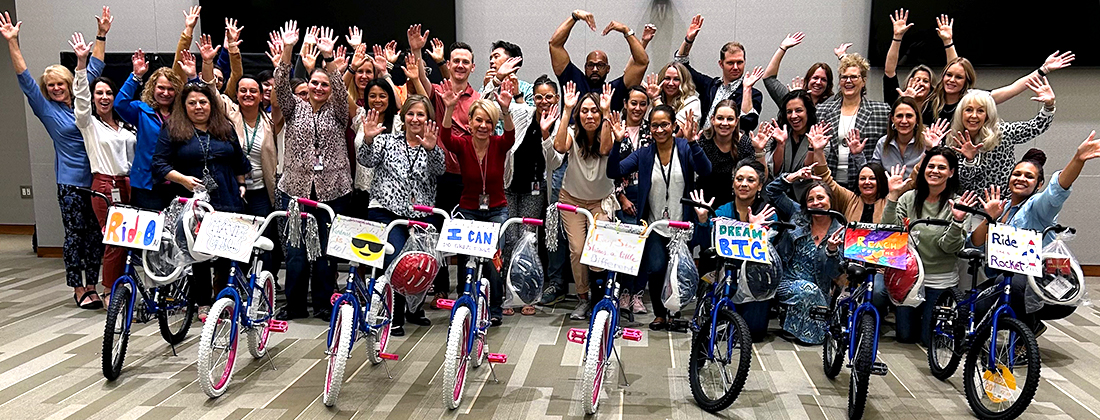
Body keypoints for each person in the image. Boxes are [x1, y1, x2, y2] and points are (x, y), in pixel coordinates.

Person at [3, 11, 112, 309]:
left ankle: (93, 283)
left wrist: (101, 33)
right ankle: (78, 288)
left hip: (97, 179)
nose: (55, 88)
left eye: (58, 83)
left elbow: (96, 64)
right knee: (75, 237)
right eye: (50, 85)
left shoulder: (82, 95)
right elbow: (25, 78)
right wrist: (13, 42)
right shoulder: (46, 109)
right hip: (70, 184)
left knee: (96, 236)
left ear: (68, 82)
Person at [968, 133, 1100, 334]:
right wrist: (989, 219)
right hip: (1005, 279)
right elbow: (973, 244)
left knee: (1012, 284)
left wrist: (1077, 159)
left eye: (1029, 176)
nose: (1021, 178)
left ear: (1038, 185)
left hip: (1046, 283)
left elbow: (1057, 190)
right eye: (1017, 174)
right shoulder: (1001, 209)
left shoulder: (1037, 207)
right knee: (973, 304)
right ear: (1009, 178)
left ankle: (1026, 333)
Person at [272, 22, 353, 321]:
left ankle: (322, 304)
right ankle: (294, 306)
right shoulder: (294, 108)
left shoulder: (338, 111)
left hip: (333, 191)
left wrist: (329, 59)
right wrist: (289, 50)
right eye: (314, 83)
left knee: (325, 255)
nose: (319, 88)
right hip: (295, 190)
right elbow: (280, 85)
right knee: (295, 254)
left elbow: (343, 91)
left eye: (325, 84)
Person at [607, 104, 712, 330]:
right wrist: (617, 143)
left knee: (677, 270)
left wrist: (694, 142)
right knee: (656, 268)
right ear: (650, 129)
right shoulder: (644, 154)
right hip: (654, 224)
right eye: (655, 125)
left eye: (665, 124)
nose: (660, 129)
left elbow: (706, 171)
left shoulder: (685, 148)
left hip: (681, 223)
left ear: (674, 125)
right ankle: (660, 314)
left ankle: (674, 312)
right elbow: (613, 172)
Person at [151, 82, 250, 319]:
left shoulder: (224, 127)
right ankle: (203, 302)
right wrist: (182, 179)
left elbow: (238, 161)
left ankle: (225, 299)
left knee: (227, 252)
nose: (198, 107)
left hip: (227, 196)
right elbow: (159, 164)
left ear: (211, 104)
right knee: (199, 253)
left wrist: (243, 184)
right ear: (183, 106)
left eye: (203, 102)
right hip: (192, 201)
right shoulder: (172, 129)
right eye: (192, 103)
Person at [358, 96, 445, 336]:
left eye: (421, 115)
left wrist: (431, 148)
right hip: (387, 212)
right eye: (411, 114)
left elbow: (441, 169)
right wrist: (367, 138)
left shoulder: (431, 144)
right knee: (396, 260)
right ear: (402, 117)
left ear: (428, 119)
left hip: (421, 215)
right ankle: (393, 315)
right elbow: (365, 160)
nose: (415, 119)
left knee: (422, 263)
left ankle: (414, 309)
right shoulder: (386, 141)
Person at [439, 78, 518, 325]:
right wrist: (450, 108)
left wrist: (505, 110)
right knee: (467, 260)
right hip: (469, 210)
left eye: (488, 121)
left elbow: (511, 135)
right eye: (478, 120)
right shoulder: (462, 144)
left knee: (494, 260)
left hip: (496, 211)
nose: (483, 125)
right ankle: (467, 302)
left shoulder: (499, 144)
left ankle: (494, 308)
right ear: (470, 123)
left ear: (493, 124)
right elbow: (445, 137)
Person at [881, 147, 976, 346]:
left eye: (942, 167)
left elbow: (950, 248)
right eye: (930, 166)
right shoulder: (908, 198)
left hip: (940, 281)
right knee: (905, 337)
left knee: (927, 341)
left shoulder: (958, 204)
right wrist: (892, 196)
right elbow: (890, 234)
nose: (934, 171)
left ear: (951, 172)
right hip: (908, 278)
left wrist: (958, 222)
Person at [71, 32, 136, 310]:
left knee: (130, 241)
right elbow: (82, 103)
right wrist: (81, 65)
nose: (105, 97)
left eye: (109, 92)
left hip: (129, 185)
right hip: (104, 187)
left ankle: (125, 285)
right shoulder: (89, 125)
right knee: (114, 241)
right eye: (100, 93)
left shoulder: (125, 127)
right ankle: (110, 290)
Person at [688, 158, 776, 341]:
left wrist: (754, 230)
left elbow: (770, 254)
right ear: (733, 183)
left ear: (760, 186)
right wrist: (703, 220)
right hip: (725, 275)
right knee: (719, 332)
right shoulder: (722, 211)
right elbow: (705, 245)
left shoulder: (767, 213)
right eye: (739, 179)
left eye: (750, 180)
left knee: (753, 334)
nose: (744, 184)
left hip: (755, 279)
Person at [553, 82, 617, 320]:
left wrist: (608, 112)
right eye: (585, 111)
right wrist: (567, 109)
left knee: (598, 250)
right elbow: (559, 146)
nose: (589, 115)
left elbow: (607, 148)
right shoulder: (571, 132)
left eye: (594, 111)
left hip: (601, 201)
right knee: (578, 250)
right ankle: (582, 298)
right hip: (572, 200)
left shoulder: (605, 131)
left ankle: (600, 300)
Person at [764, 163, 845, 345]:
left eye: (820, 198)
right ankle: (814, 333)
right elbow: (772, 191)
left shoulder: (841, 231)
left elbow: (835, 273)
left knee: (811, 291)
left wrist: (831, 251)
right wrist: (793, 177)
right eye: (811, 199)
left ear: (830, 200)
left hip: (820, 292)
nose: (816, 203)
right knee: (807, 290)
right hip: (786, 282)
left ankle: (793, 327)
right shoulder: (798, 215)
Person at [503, 75, 556, 316]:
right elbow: (507, 108)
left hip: (536, 188)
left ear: (556, 98)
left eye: (549, 97)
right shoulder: (524, 114)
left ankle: (528, 293)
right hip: (509, 184)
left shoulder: (558, 124)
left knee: (528, 240)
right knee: (509, 238)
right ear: (532, 98)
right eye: (539, 97)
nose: (544, 101)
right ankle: (507, 293)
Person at [947, 79, 1055, 194]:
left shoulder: (1002, 132)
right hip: (968, 206)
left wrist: (1049, 105)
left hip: (1003, 204)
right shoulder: (953, 140)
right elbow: (960, 183)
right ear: (960, 113)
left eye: (980, 111)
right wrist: (969, 161)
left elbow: (1035, 127)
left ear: (988, 115)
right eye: (968, 110)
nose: (974, 116)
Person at [816, 53, 891, 192]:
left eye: (854, 77)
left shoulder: (881, 111)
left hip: (864, 186)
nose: (848, 81)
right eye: (844, 77)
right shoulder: (822, 111)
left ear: (863, 81)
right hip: (829, 184)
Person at [674, 14, 761, 131]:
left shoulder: (753, 94)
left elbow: (747, 124)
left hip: (731, 147)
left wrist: (746, 89)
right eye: (730, 63)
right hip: (702, 144)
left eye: (739, 62)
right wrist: (689, 40)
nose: (736, 67)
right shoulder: (709, 85)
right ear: (721, 64)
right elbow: (681, 64)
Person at [549, 9, 648, 113]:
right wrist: (574, 16)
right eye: (590, 65)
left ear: (608, 69)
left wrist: (626, 31)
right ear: (585, 67)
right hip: (571, 129)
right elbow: (555, 45)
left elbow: (642, 63)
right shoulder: (573, 81)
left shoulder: (614, 89)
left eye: (600, 65)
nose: (595, 69)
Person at [870, 97, 948, 178]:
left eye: (909, 116)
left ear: (917, 119)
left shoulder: (928, 142)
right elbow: (874, 175)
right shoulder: (882, 143)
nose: (904, 121)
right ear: (892, 119)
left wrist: (933, 149)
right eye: (899, 116)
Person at [766, 90, 821, 201]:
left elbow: (808, 172)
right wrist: (780, 144)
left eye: (799, 110)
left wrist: (811, 148)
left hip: (805, 199)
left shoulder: (819, 138)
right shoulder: (779, 133)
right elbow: (774, 171)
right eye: (789, 112)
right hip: (777, 195)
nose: (793, 116)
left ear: (808, 112)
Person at [761, 31, 835, 106]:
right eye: (815, 78)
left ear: (828, 84)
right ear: (808, 79)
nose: (818, 82)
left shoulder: (833, 103)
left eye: (823, 80)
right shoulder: (791, 99)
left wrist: (842, 57)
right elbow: (769, 78)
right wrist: (782, 48)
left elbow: (846, 88)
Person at [881, 9, 934, 107]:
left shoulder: (936, 108)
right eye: (917, 80)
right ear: (909, 82)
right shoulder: (897, 99)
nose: (921, 83)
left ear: (931, 88)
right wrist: (897, 37)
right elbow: (889, 71)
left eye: (926, 81)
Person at [643, 62, 700, 128]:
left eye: (676, 79)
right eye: (667, 78)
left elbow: (675, 130)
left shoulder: (692, 102)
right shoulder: (651, 100)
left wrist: (656, 99)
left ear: (683, 82)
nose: (670, 83)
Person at [481, 40, 533, 108]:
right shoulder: (484, 87)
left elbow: (531, 117)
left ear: (511, 61)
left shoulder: (527, 89)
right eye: (491, 58)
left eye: (496, 57)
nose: (491, 61)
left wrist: (517, 95)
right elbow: (479, 112)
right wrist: (487, 88)